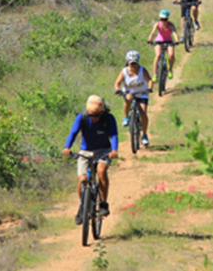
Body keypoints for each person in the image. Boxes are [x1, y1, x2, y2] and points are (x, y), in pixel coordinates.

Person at [61, 95, 119, 224]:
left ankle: (103, 203)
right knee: (82, 180)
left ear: (102, 112)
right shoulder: (82, 117)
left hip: (103, 150)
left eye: (97, 116)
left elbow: (114, 135)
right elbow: (73, 133)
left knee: (101, 170)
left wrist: (114, 150)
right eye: (91, 115)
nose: (94, 118)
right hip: (85, 151)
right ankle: (82, 207)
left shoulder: (108, 119)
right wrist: (67, 147)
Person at [113, 50, 153, 146]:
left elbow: (149, 80)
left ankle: (144, 135)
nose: (133, 66)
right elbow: (117, 82)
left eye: (135, 63)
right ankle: (126, 117)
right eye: (131, 64)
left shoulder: (142, 70)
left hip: (142, 93)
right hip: (129, 92)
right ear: (127, 63)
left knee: (143, 112)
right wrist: (117, 89)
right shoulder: (124, 71)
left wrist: (149, 88)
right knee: (128, 98)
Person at [148, 9, 179, 82]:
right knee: (158, 55)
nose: (163, 21)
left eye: (165, 19)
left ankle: (170, 70)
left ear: (167, 19)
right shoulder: (157, 24)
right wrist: (150, 39)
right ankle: (155, 74)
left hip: (169, 41)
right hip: (159, 41)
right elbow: (152, 33)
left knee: (171, 55)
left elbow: (174, 32)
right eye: (162, 19)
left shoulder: (170, 25)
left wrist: (177, 40)